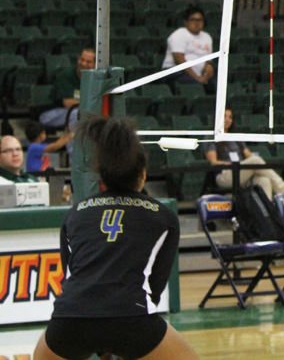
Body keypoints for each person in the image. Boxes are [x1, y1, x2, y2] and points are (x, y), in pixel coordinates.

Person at [32, 115, 198, 360]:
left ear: (102, 175)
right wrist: (122, 342)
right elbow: (154, 288)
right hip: (131, 317)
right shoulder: (162, 216)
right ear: (142, 173)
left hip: (71, 318)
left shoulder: (76, 213)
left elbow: (71, 274)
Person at [204, 108, 284, 199]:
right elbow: (213, 162)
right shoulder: (211, 137)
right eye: (225, 116)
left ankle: (267, 212)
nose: (228, 119)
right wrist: (228, 164)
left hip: (241, 173)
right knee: (255, 160)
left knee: (264, 180)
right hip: (225, 175)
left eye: (230, 117)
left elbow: (249, 156)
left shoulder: (235, 137)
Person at [39, 47, 94, 129]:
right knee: (77, 114)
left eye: (89, 62)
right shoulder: (66, 76)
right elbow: (69, 104)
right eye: (82, 59)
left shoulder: (97, 78)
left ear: (96, 64)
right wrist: (94, 104)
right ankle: (72, 142)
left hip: (81, 112)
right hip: (51, 113)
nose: (84, 64)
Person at [162, 5, 215, 88]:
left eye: (200, 20)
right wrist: (196, 78)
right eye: (193, 20)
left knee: (219, 85)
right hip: (176, 72)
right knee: (195, 85)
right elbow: (179, 60)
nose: (197, 23)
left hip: (199, 74)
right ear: (186, 22)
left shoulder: (207, 37)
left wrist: (208, 67)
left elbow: (208, 60)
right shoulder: (179, 34)